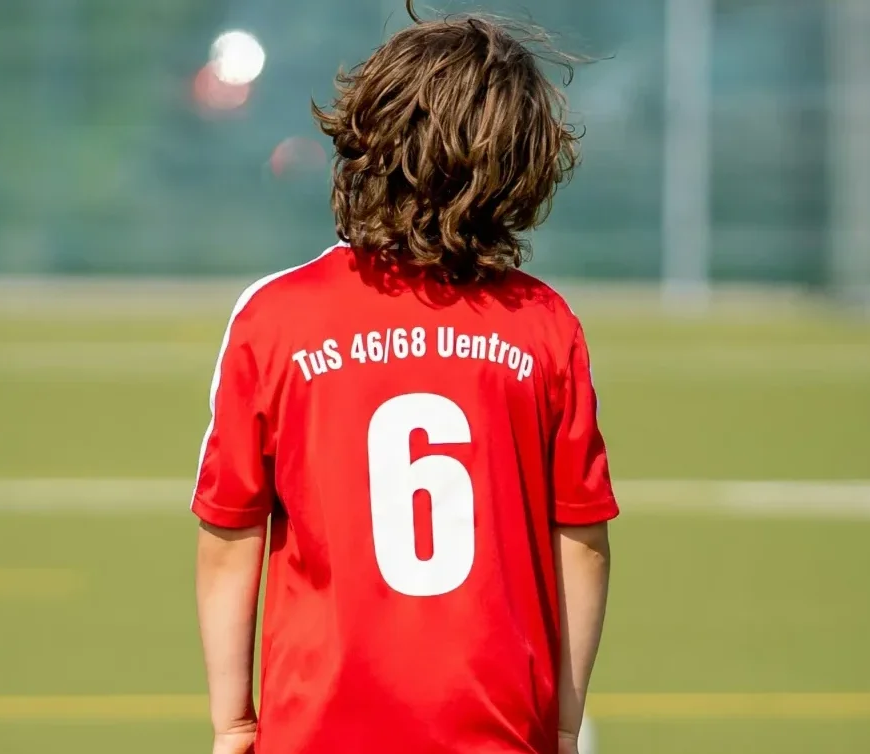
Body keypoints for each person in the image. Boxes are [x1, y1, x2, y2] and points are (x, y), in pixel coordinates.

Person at [191, 3, 616, 752]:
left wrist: (232, 721)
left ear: (368, 139)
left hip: (317, 729)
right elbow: (578, 537)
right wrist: (563, 725)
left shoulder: (275, 318)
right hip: (494, 729)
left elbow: (231, 532)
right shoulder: (544, 327)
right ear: (520, 165)